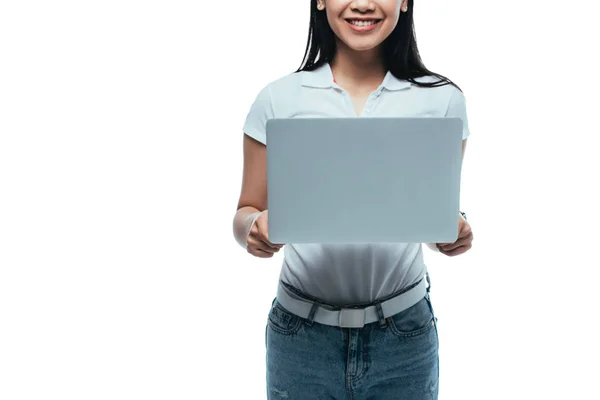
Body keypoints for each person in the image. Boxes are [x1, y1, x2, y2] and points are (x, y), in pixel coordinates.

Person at [232, 0, 474, 398]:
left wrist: (453, 229)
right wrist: (253, 230)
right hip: (301, 339)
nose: (362, 4)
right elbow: (246, 211)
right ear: (320, 1)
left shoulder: (443, 100)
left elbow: (432, 214)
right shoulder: (278, 99)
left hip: (404, 336)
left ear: (406, 2)